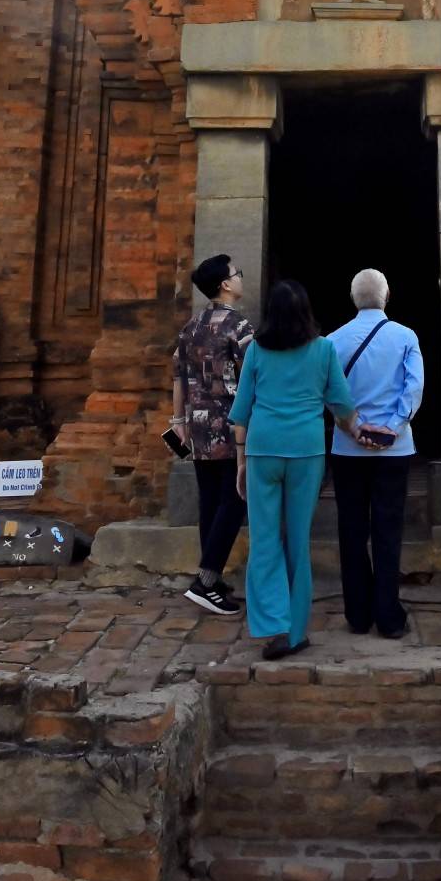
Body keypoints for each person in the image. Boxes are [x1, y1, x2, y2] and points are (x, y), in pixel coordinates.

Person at [229, 279, 379, 660]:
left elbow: (241, 412)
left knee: (264, 539)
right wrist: (362, 432)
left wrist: (241, 461)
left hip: (263, 449)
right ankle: (295, 632)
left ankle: (272, 624)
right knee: (298, 540)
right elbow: (342, 407)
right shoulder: (324, 349)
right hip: (306, 452)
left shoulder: (256, 352)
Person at [328, 268, 425, 639]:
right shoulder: (405, 336)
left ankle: (357, 613)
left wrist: (353, 427)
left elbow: (330, 392)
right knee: (388, 531)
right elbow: (414, 387)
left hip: (347, 448)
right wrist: (394, 426)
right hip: (394, 449)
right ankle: (388, 615)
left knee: (351, 530)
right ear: (387, 296)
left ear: (354, 299)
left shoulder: (333, 340)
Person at [171, 253, 254, 615]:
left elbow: (178, 377)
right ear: (225, 284)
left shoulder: (190, 326)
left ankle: (212, 578)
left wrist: (178, 421)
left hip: (197, 425)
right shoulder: (238, 327)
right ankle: (205, 581)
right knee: (235, 500)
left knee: (210, 502)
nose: (240, 278)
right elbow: (254, 375)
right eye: (237, 273)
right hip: (229, 423)